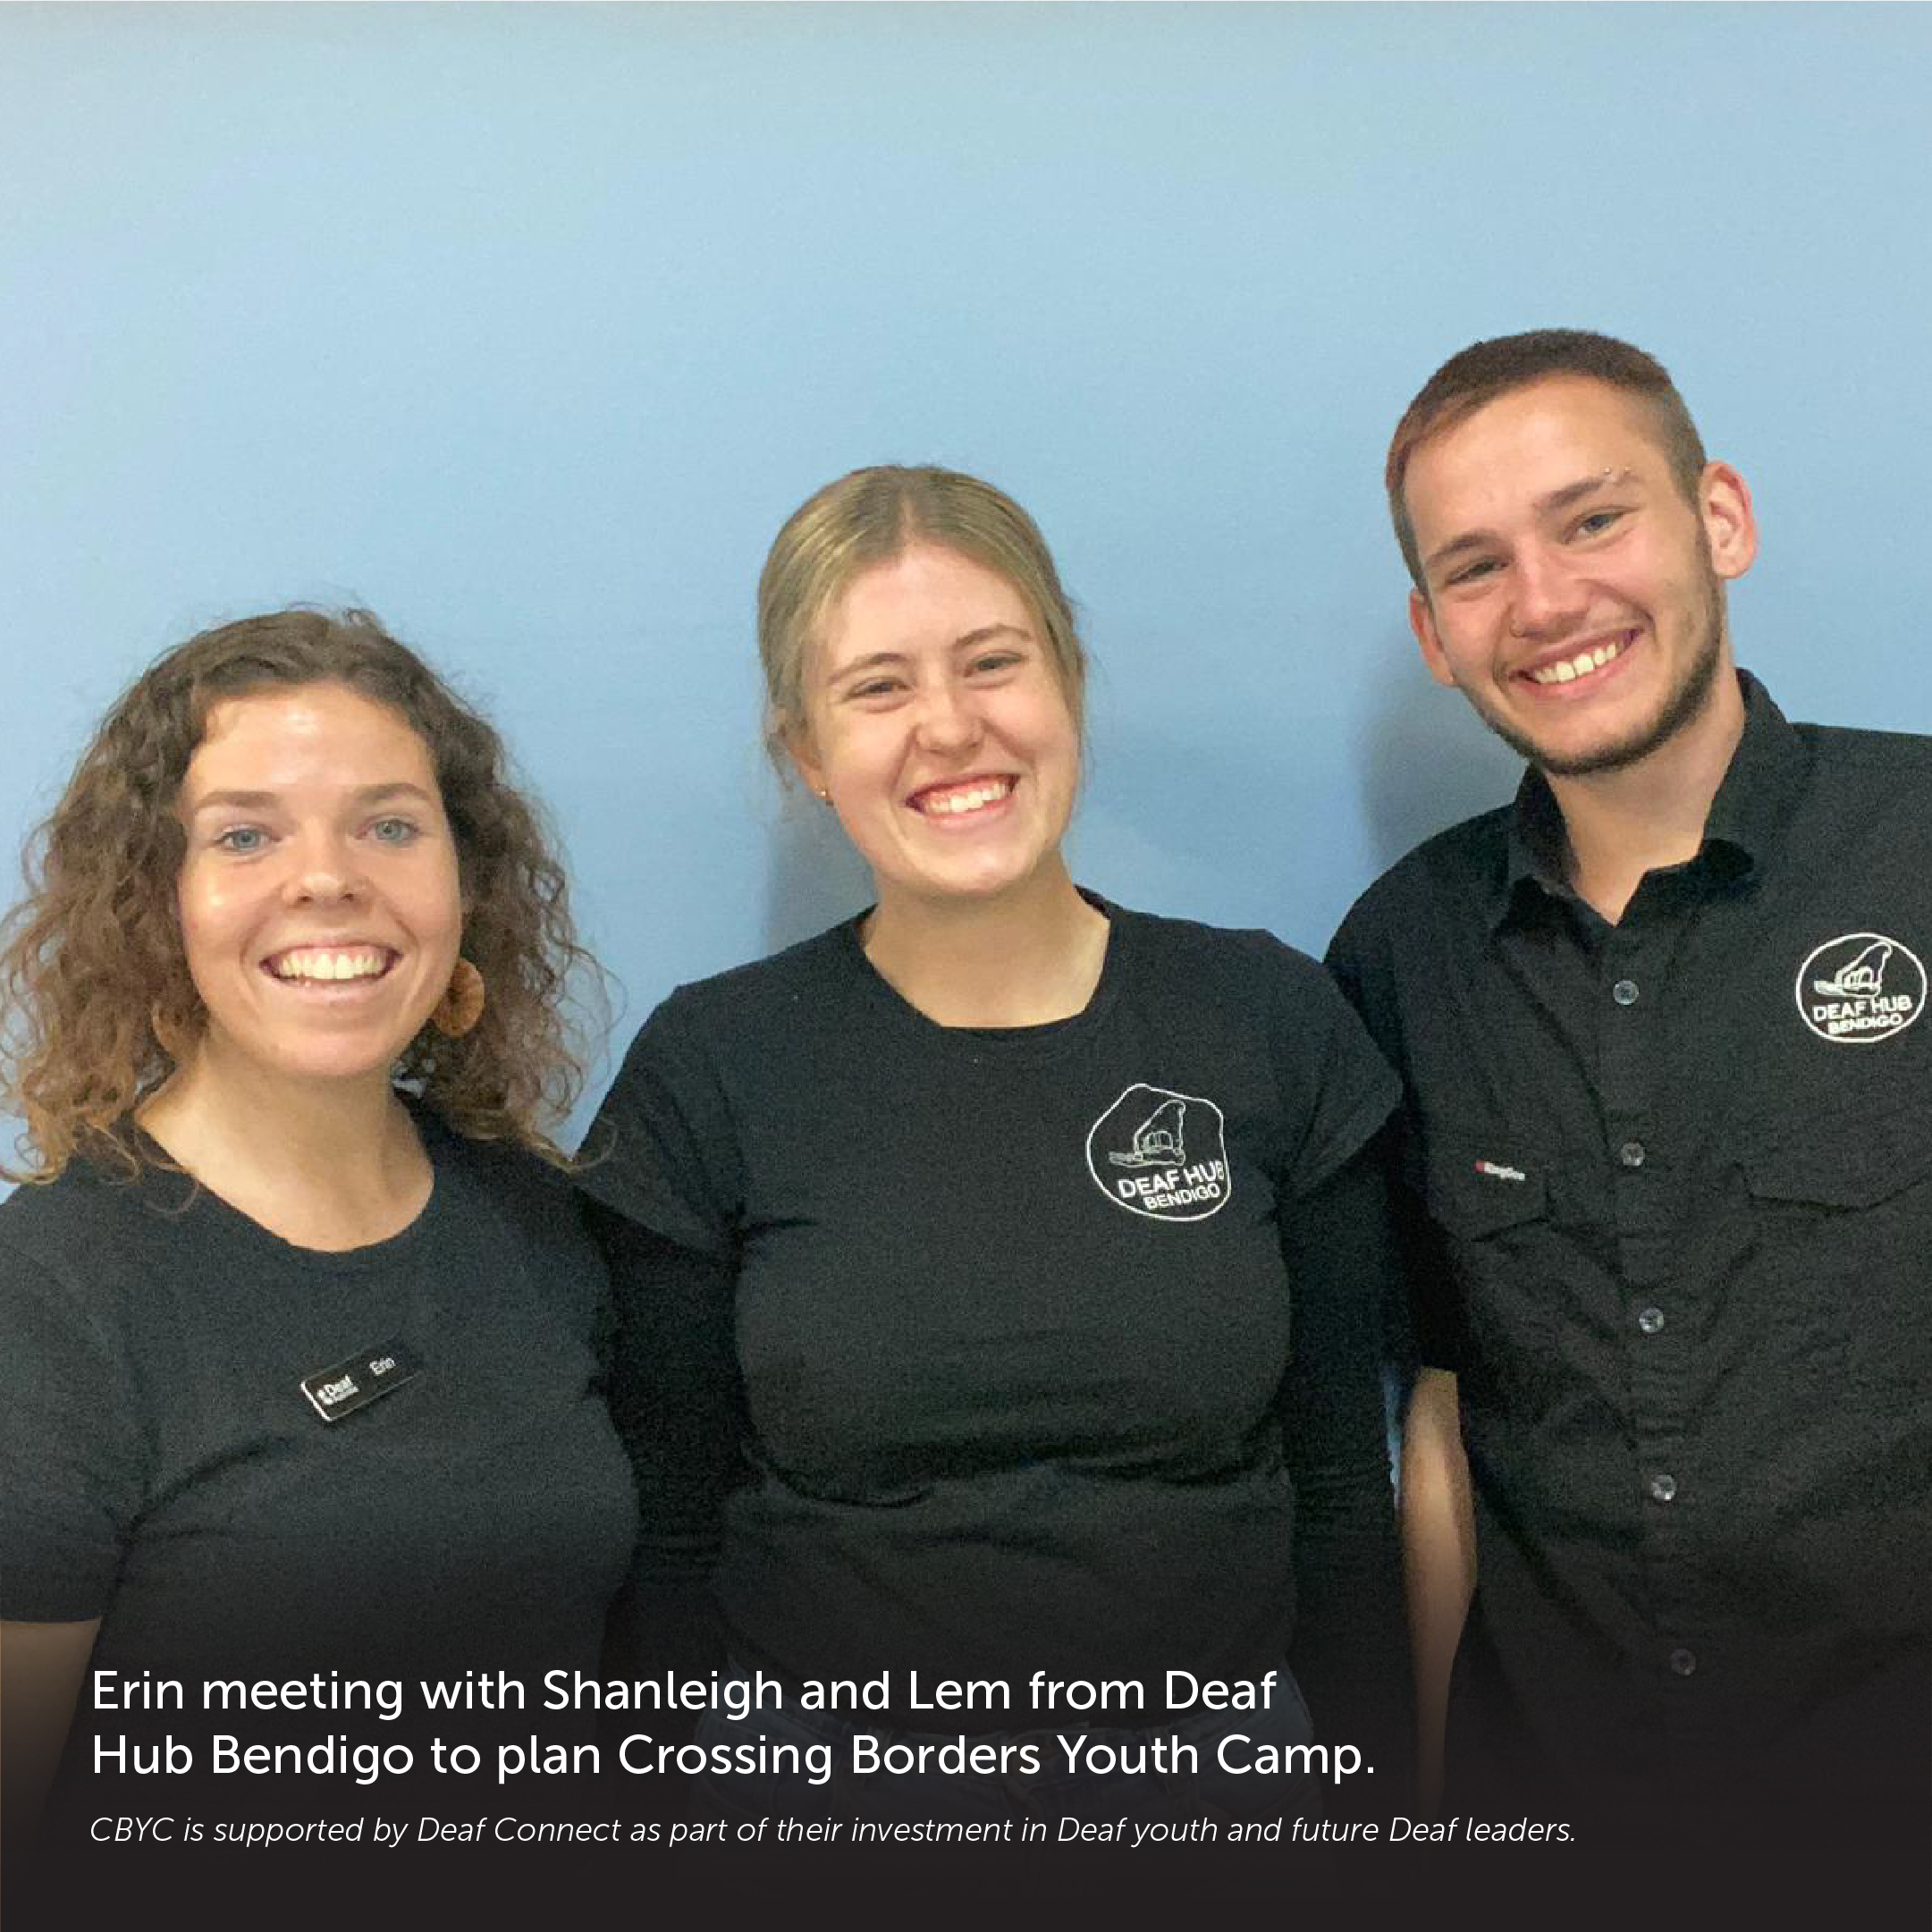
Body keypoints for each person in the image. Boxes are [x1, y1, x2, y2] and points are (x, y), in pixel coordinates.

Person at [581, 465, 1407, 1827]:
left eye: (991, 663)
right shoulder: (712, 1068)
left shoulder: (1263, 1020)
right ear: (804, 749)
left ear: (1067, 680)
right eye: (877, 687)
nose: (949, 728)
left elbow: (1337, 1491)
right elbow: (668, 1534)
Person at [1328, 330, 1932, 1847]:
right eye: (1474, 567)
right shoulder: (1400, 955)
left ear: (1716, 518)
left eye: (1592, 519)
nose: (1542, 601)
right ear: (1431, 631)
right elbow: (1442, 1424)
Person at [0, 610, 636, 1853]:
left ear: (465, 881)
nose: (328, 877)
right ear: (155, 902)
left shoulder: (537, 1219)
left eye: (390, 825)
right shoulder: (54, 1295)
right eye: (244, 834)